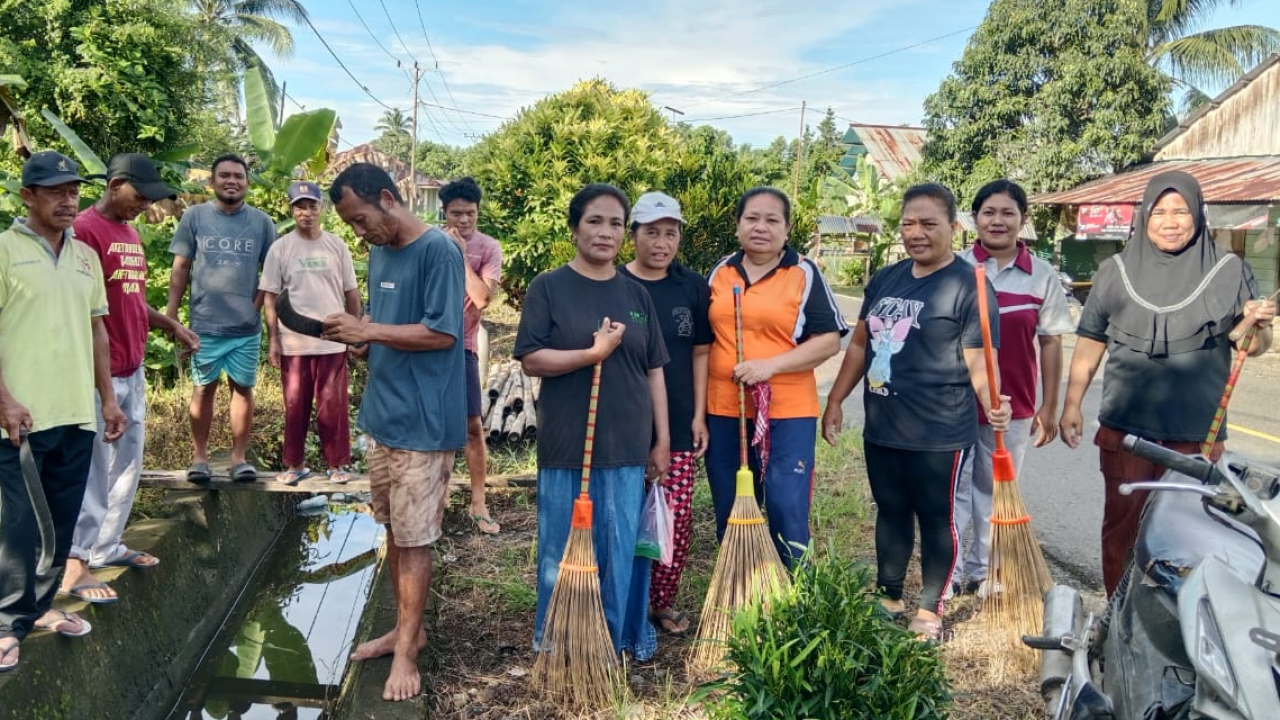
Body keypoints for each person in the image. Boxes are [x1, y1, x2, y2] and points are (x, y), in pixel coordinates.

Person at [1059, 170, 1274, 597]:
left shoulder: (1229, 270)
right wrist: (1071, 404)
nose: (1170, 221)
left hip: (1198, 432)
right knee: (1122, 523)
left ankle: (1172, 618)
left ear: (1198, 215)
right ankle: (1117, 611)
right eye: (1160, 212)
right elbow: (1089, 343)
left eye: (1181, 211)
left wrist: (1256, 324)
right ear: (1145, 216)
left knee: (1189, 533)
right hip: (1126, 426)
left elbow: (1253, 344)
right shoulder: (1113, 271)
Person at [821, 182, 1009, 640]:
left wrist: (993, 404)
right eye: (908, 223)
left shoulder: (971, 286)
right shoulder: (886, 278)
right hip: (884, 424)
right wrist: (835, 400)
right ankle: (888, 594)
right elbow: (861, 343)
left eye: (928, 223)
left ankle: (930, 608)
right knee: (890, 509)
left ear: (952, 226)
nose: (917, 232)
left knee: (936, 516)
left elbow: (979, 359)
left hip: (940, 430)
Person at [322, 163, 466, 702]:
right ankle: (409, 629)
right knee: (392, 530)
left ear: (387, 198)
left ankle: (407, 652)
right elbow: (388, 325)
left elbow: (442, 333)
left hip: (424, 424)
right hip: (383, 417)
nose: (361, 233)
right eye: (353, 226)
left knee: (416, 538)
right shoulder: (379, 250)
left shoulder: (439, 251)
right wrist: (365, 341)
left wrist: (368, 328)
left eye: (361, 219)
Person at [515, 183, 670, 662]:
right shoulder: (549, 287)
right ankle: (558, 640)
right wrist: (592, 353)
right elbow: (532, 360)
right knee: (561, 553)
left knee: (619, 550)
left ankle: (613, 642)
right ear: (575, 227)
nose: (606, 232)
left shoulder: (636, 294)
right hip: (567, 444)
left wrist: (661, 439)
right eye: (595, 221)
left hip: (627, 445)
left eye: (616, 223)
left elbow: (654, 370)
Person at [0, 151, 127, 673]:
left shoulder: (85, 257)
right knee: (17, 525)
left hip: (76, 413)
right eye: (54, 191)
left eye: (73, 190)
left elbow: (98, 329)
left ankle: (41, 607)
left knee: (59, 520)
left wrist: (108, 398)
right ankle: (8, 625)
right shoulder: (5, 250)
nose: (67, 200)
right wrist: (5, 399)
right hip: (20, 418)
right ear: (27, 196)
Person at [60, 153, 201, 604]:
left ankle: (107, 545)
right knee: (94, 471)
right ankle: (76, 562)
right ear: (115, 184)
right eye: (138, 196)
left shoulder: (129, 233)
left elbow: (129, 300)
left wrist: (171, 324)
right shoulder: (82, 231)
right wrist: (102, 387)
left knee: (128, 464)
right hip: (97, 372)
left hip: (132, 365)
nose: (143, 205)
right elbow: (81, 309)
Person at [705, 187, 845, 567]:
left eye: (772, 220)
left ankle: (793, 586)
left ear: (786, 229)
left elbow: (829, 341)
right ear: (737, 226)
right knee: (731, 499)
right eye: (752, 218)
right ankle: (741, 581)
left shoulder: (802, 272)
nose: (761, 227)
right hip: (724, 408)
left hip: (787, 410)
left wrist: (771, 366)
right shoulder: (721, 272)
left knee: (785, 499)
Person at [951, 179, 1074, 598]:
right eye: (989, 212)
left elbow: (1052, 342)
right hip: (953, 402)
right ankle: (947, 573)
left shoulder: (1042, 277)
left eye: (1008, 213)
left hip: (1013, 404)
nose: (998, 221)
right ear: (975, 218)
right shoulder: (957, 268)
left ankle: (982, 572)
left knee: (993, 489)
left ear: (1023, 220)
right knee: (954, 490)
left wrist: (1050, 406)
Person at [617, 192, 712, 637]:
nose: (661, 242)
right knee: (623, 514)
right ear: (632, 234)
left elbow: (700, 353)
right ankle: (622, 597)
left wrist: (698, 414)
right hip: (623, 425)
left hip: (676, 422)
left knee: (672, 515)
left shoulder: (690, 286)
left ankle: (661, 600)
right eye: (651, 232)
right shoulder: (613, 283)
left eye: (670, 233)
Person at [165, 154, 276, 483]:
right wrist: (171, 316)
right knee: (202, 390)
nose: (232, 181)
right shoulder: (195, 216)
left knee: (243, 390)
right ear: (212, 182)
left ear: (247, 183)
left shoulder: (262, 222)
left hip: (245, 329)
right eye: (224, 175)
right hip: (204, 324)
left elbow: (271, 276)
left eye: (238, 176)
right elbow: (181, 266)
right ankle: (199, 457)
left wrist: (253, 309)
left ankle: (239, 458)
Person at [261, 181, 362, 486]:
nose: (306, 212)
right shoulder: (280, 248)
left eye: (311, 205)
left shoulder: (336, 245)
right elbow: (269, 297)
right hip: (294, 342)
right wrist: (274, 341)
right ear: (291, 210)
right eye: (299, 206)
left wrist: (353, 332)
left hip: (331, 342)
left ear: (321, 208)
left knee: (333, 407)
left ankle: (337, 465)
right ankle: (294, 464)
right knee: (295, 405)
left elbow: (351, 293)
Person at [438, 177, 502, 534]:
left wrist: (460, 257)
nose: (463, 221)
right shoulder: (429, 242)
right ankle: (438, 494)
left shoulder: (488, 248)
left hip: (463, 344)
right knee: (434, 425)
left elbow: (481, 298)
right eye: (456, 214)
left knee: (472, 426)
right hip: (427, 344)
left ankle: (479, 501)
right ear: (444, 213)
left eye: (470, 214)